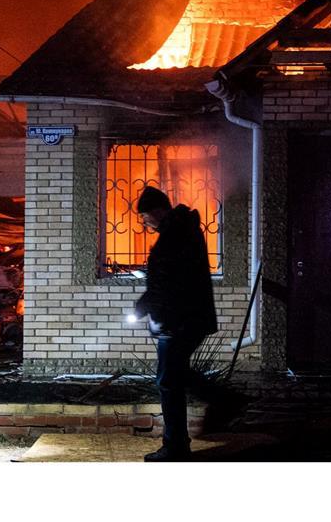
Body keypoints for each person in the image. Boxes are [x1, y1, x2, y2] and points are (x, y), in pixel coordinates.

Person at [133, 185, 218, 461]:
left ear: (157, 210)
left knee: (168, 381)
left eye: (145, 216)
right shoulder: (181, 229)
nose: (144, 222)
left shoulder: (174, 235)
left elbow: (167, 282)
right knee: (175, 375)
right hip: (185, 318)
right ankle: (224, 400)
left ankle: (175, 446)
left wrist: (142, 306)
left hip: (177, 321)